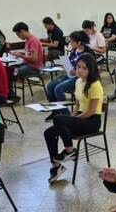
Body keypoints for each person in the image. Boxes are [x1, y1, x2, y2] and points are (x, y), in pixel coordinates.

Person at [43, 54, 103, 183]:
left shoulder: (95, 85)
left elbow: (91, 111)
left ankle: (70, 151)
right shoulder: (78, 81)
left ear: (91, 69)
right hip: (81, 118)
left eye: (84, 68)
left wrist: (73, 121)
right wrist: (71, 118)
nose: (79, 70)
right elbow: (77, 104)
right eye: (78, 67)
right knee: (48, 132)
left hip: (91, 121)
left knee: (59, 118)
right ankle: (56, 166)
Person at [45, 31, 93, 120]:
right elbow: (71, 62)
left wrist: (77, 72)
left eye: (72, 41)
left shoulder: (88, 53)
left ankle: (65, 114)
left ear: (79, 42)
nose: (70, 43)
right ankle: (55, 112)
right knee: (50, 86)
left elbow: (91, 70)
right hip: (70, 74)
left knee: (58, 88)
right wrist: (66, 65)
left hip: (80, 78)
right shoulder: (74, 50)